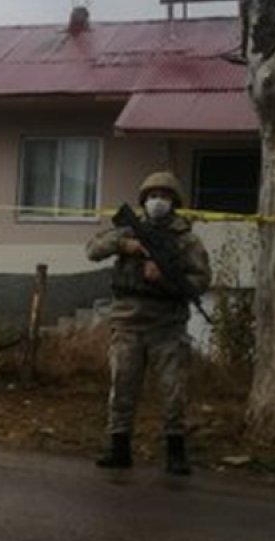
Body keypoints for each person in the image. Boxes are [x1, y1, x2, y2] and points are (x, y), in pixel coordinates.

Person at [85, 171, 211, 475]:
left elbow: (201, 279)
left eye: (165, 196)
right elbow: (93, 249)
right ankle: (119, 448)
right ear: (144, 200)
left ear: (174, 202)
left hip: (166, 327)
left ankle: (175, 452)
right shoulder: (129, 231)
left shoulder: (187, 239)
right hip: (127, 323)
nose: (158, 202)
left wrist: (167, 278)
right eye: (153, 196)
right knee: (122, 390)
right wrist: (125, 245)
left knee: (173, 392)